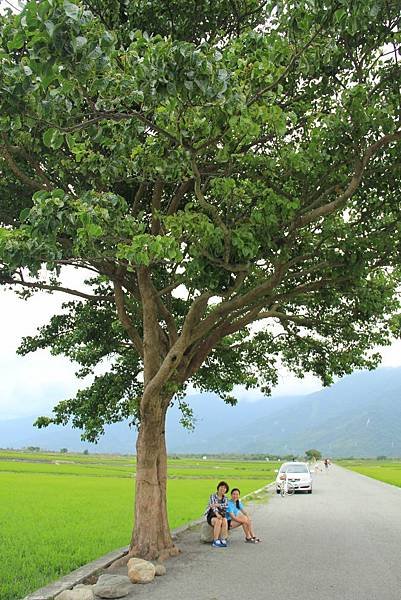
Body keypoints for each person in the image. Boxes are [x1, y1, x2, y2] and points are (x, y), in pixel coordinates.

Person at [204, 481, 229, 548]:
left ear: (226, 490)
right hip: (212, 515)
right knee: (219, 521)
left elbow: (226, 506)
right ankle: (215, 541)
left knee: (225, 520)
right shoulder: (213, 496)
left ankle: (223, 539)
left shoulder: (225, 498)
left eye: (224, 488)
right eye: (221, 487)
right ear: (218, 488)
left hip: (221, 514)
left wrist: (218, 504)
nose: (223, 489)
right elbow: (213, 506)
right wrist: (217, 514)